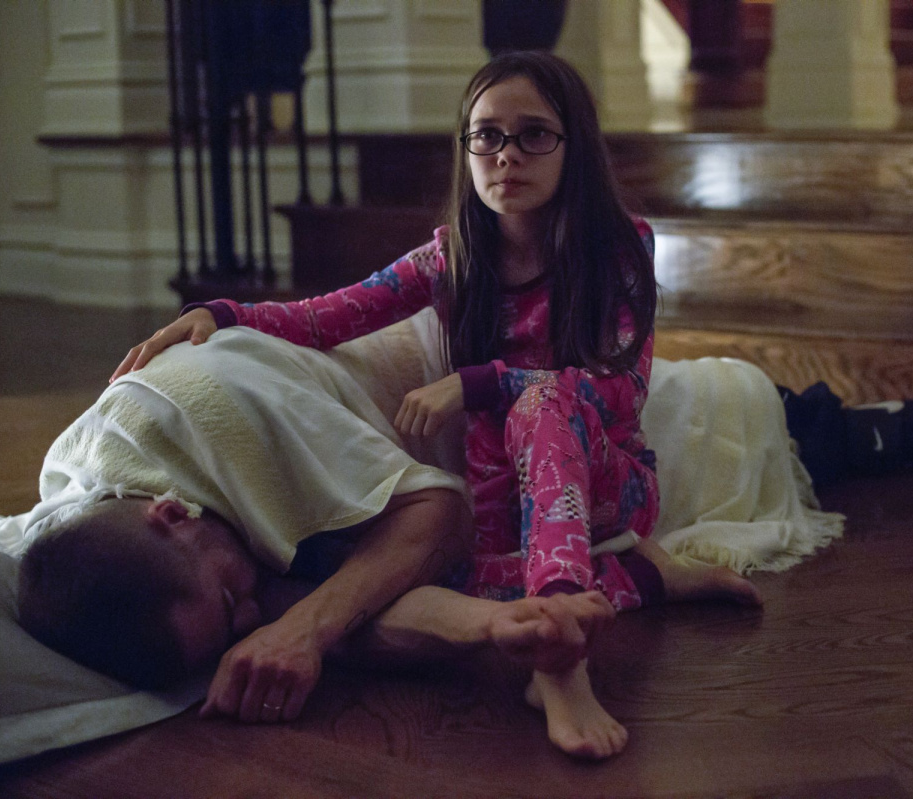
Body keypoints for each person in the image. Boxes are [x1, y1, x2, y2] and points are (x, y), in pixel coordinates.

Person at [111, 51, 765, 759]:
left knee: (544, 401)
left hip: (608, 483)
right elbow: (327, 316)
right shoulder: (452, 258)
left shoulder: (619, 246)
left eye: (533, 134)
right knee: (413, 591)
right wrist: (221, 312)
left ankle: (561, 666)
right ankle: (647, 575)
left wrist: (483, 383)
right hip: (501, 504)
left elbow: (621, 390)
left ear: (574, 145)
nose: (506, 155)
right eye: (487, 136)